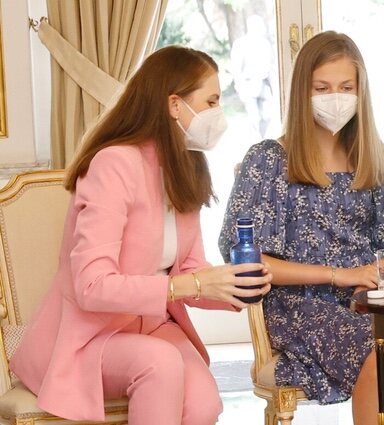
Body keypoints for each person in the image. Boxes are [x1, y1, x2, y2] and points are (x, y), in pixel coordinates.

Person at [219, 31, 384, 424]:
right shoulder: (268, 160)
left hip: (368, 299)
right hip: (300, 305)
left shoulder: (371, 157)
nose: (334, 97)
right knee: (380, 351)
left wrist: (383, 271)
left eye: (345, 87)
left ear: (361, 92)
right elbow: (249, 261)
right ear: (301, 91)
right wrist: (341, 276)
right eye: (321, 87)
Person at [10, 46, 272, 425]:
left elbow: (192, 268)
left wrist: (234, 286)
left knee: (202, 404)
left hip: (150, 327)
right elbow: (92, 285)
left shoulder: (184, 166)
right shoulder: (114, 165)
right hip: (88, 339)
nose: (219, 114)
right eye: (212, 101)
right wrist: (192, 284)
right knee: (160, 364)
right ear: (174, 105)